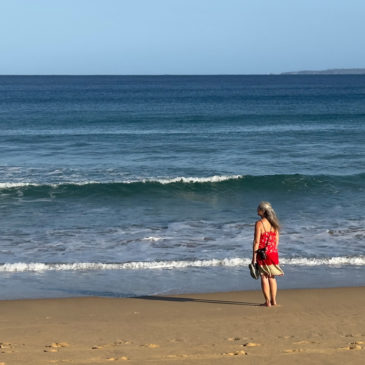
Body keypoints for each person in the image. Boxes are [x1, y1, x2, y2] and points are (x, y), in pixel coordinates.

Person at [252, 201, 284, 307]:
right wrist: (272, 250)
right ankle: (274, 301)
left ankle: (267, 302)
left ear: (263, 211)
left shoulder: (259, 224)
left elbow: (256, 242)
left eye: (258, 208)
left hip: (262, 254)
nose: (257, 210)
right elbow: (276, 241)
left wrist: (254, 257)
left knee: (264, 277)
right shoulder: (274, 224)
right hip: (273, 253)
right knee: (272, 277)